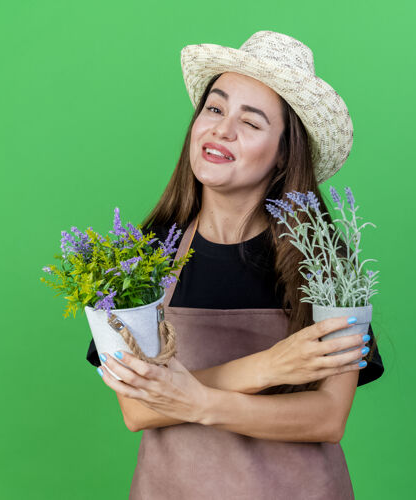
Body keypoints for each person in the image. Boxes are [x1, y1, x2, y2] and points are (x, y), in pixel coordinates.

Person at [86, 30, 384, 499]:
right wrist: (268, 367)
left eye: (252, 121)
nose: (222, 130)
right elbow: (138, 409)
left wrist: (198, 400)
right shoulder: (139, 259)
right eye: (215, 108)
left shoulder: (326, 265)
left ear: (285, 152)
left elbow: (328, 418)